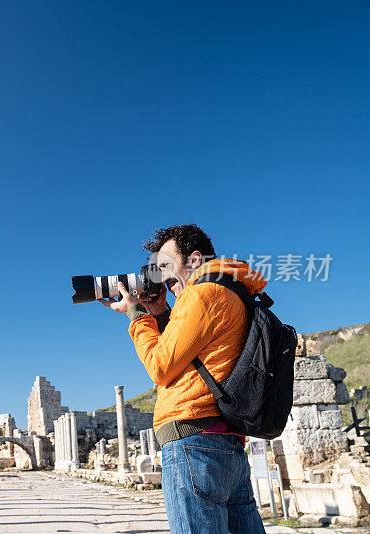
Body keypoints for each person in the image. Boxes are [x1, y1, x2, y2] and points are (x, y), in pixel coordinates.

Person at [99, 223, 266, 533]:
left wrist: (137, 314)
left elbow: (161, 366)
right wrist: (162, 313)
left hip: (194, 443)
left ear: (193, 260)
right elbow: (194, 356)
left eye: (165, 266)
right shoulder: (230, 290)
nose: (160, 277)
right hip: (225, 444)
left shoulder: (202, 293)